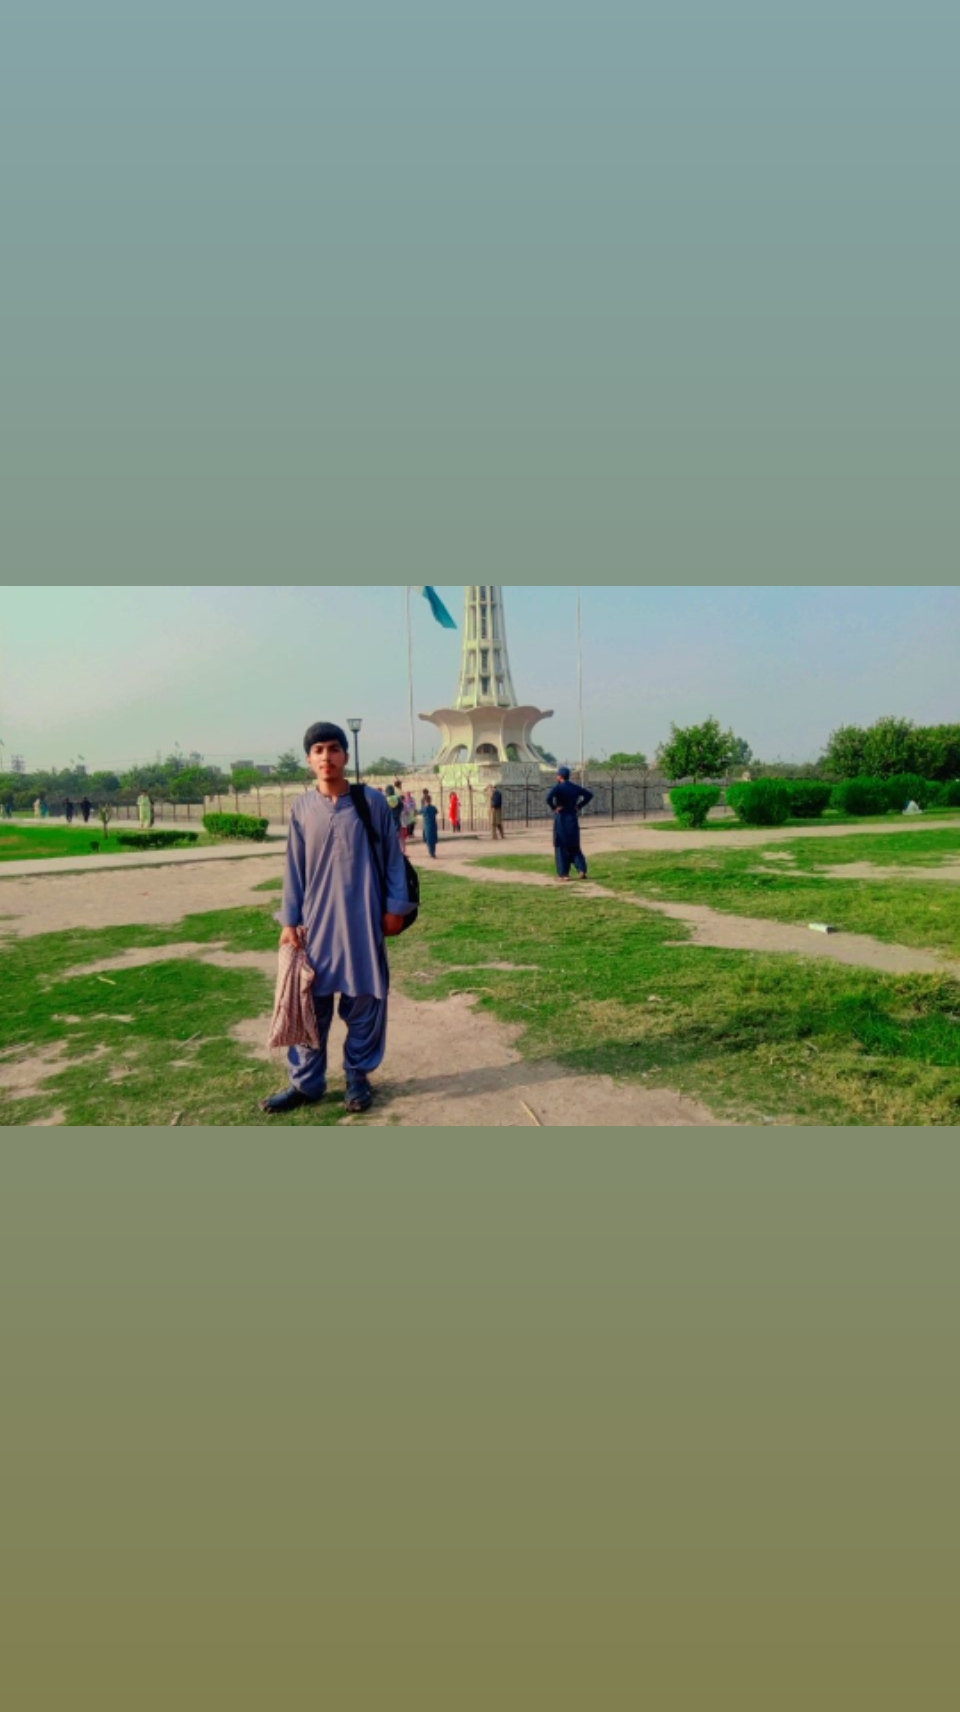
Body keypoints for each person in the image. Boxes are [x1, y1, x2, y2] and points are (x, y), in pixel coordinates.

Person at [261, 722, 414, 1118]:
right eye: (318, 750)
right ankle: (306, 1083)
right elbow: (294, 869)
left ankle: (357, 1078)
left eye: (333, 748)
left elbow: (393, 859)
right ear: (309, 759)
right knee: (308, 1005)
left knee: (364, 1003)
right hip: (315, 927)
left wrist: (395, 908)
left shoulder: (371, 802)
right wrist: (289, 921)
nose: (326, 757)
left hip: (363, 923)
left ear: (345, 755)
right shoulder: (302, 808)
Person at [547, 767, 594, 880]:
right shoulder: (575, 787)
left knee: (561, 846)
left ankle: (564, 874)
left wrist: (554, 807)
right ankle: (581, 869)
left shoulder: (558, 788)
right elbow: (589, 795)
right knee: (574, 846)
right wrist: (579, 806)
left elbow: (548, 798)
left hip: (561, 818)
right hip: (572, 817)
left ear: (560, 776)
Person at [421, 790, 439, 859]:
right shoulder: (433, 807)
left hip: (427, 825)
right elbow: (436, 812)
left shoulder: (424, 808)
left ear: (425, 801)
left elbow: (418, 812)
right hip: (433, 825)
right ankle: (433, 852)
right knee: (433, 839)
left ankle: (431, 852)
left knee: (428, 839)